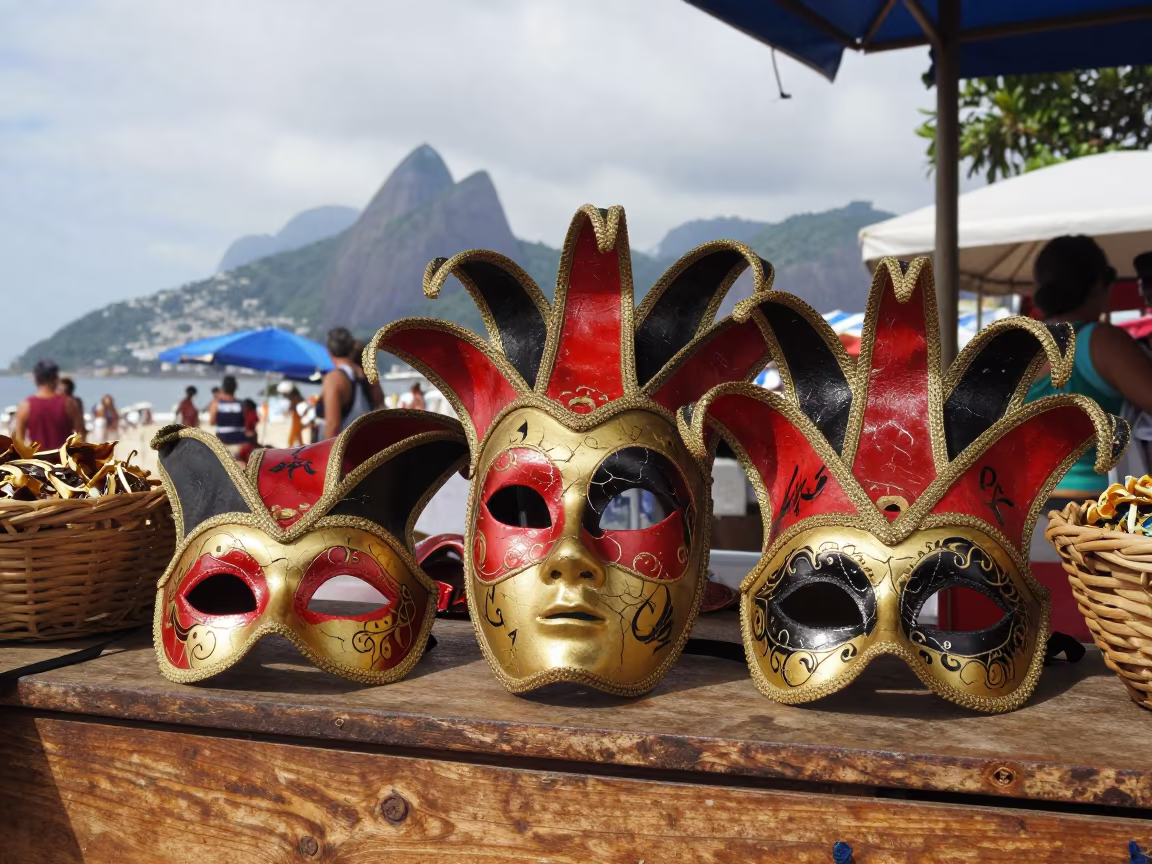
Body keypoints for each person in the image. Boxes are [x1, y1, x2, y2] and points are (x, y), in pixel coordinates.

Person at [1027, 235, 1152, 501]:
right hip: (1096, 508)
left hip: (1022, 507)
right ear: (1098, 284)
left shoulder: (1017, 342)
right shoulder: (1098, 340)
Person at [14, 359, 85, 449]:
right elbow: (80, 434)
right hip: (63, 460)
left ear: (35, 379)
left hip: (38, 461)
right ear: (56, 378)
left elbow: (19, 441)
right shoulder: (68, 403)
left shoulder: (25, 406)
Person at [321, 327, 372, 438]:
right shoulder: (365, 373)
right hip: (368, 442)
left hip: (346, 448)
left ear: (329, 352)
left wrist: (327, 454)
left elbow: (333, 425)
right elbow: (379, 404)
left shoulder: (334, 379)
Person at [209, 374, 247, 457]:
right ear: (235, 388)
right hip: (239, 443)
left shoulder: (216, 404)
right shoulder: (242, 404)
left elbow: (212, 422)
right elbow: (245, 423)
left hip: (223, 443)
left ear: (223, 388)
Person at [277, 381, 305, 447]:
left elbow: (292, 408)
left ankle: (293, 445)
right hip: (297, 417)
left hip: (296, 417)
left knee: (295, 432)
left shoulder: (295, 398)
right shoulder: (298, 397)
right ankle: (296, 444)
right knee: (297, 433)